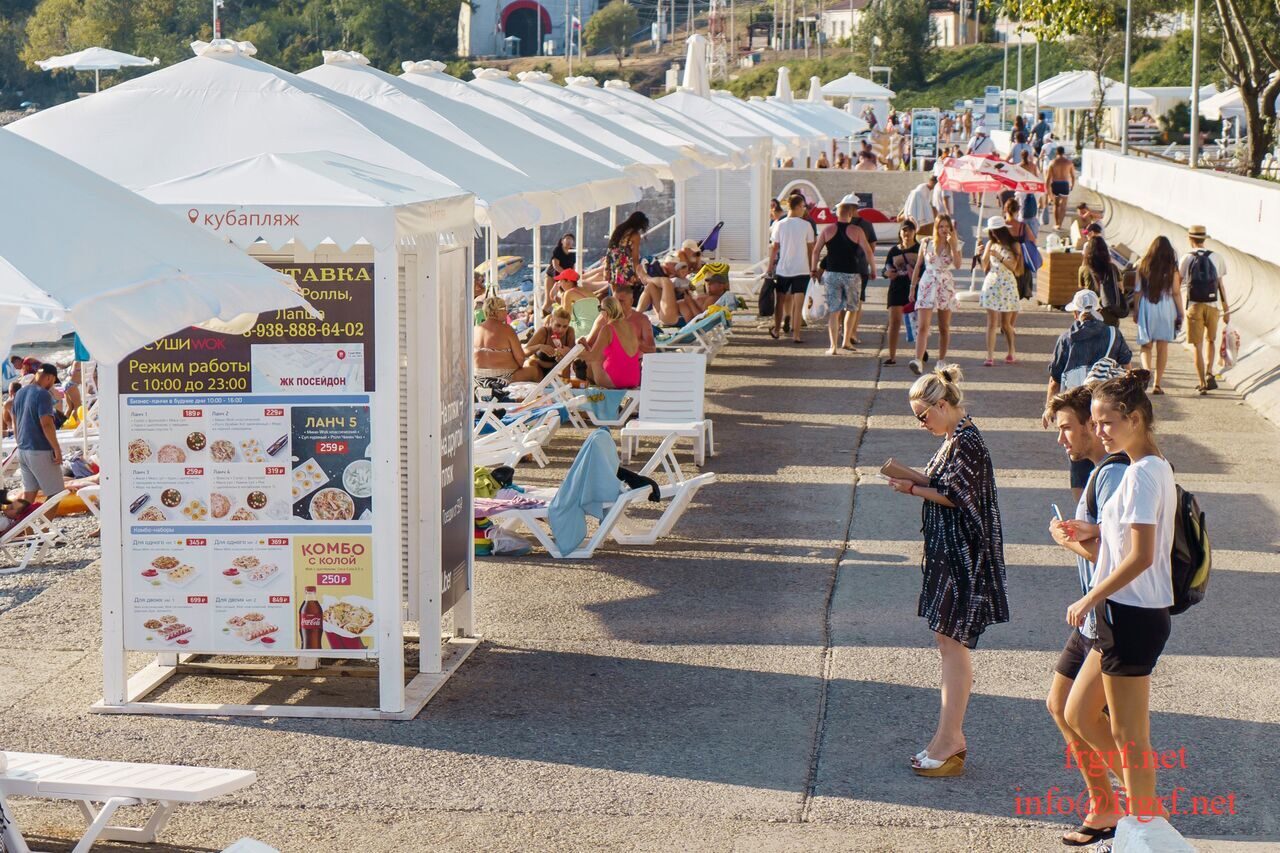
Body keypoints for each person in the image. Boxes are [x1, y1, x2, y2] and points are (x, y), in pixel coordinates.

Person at [1060, 371, 1176, 829]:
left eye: (1106, 421)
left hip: (1134, 613)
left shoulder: (1145, 472)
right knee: (1077, 712)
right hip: (1122, 613)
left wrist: (1091, 594)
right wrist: (1090, 532)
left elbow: (1143, 555)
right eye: (1094, 421)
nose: (1099, 430)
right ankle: (1146, 810)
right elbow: (1126, 537)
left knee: (1130, 735)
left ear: (1133, 418)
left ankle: (1148, 824)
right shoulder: (1145, 466)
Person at [886, 366, 1010, 777]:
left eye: (923, 415)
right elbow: (950, 486)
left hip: (961, 556)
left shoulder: (967, 442)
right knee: (947, 641)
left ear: (943, 405)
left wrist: (913, 488)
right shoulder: (956, 438)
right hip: (950, 552)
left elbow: (959, 497)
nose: (920, 424)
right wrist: (915, 480)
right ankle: (947, 737)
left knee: (952, 644)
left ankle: (950, 738)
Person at [1045, 385, 1130, 847]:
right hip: (1092, 615)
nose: (1063, 439)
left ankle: (1144, 807)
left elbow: (1118, 557)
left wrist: (1066, 541)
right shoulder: (1099, 472)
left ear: (1093, 428)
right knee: (1059, 707)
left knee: (1083, 713)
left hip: (1113, 615)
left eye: (1066, 429)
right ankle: (1104, 807)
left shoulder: (1115, 475)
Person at [1043, 290, 1133, 501]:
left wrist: (1050, 407)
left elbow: (1054, 379)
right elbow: (1127, 369)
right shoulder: (1113, 334)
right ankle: (1106, 501)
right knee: (1108, 451)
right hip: (1105, 406)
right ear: (1098, 310)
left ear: (1076, 313)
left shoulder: (1066, 338)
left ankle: (1084, 508)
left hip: (1075, 406)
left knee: (1077, 457)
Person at [811, 201, 872, 355]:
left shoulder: (827, 229)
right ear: (850, 215)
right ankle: (846, 341)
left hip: (832, 274)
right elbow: (868, 251)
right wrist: (873, 269)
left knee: (834, 311)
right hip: (852, 274)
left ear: (836, 214)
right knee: (852, 308)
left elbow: (816, 251)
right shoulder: (857, 230)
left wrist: (813, 268)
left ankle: (833, 346)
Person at [1178, 225, 1230, 395]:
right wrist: (1226, 308)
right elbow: (1220, 285)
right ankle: (1209, 372)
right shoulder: (1217, 257)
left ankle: (1201, 383)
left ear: (1190, 239)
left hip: (1194, 305)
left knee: (1197, 346)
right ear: (1204, 239)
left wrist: (1175, 306)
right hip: (1213, 306)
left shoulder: (1186, 258)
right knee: (1211, 341)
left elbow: (1177, 284)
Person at [909, 214, 961, 375]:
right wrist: (912, 287)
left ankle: (941, 360)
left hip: (945, 283)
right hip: (927, 283)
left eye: (947, 227)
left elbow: (958, 265)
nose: (944, 230)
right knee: (923, 325)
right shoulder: (926, 243)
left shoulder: (955, 244)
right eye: (941, 226)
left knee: (943, 326)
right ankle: (918, 360)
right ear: (936, 228)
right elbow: (918, 266)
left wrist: (953, 245)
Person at [1132, 236, 1185, 395]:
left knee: (1146, 346)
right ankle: (1157, 383)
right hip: (1166, 307)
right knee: (1162, 347)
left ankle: (1146, 374)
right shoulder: (1172, 269)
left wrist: (1136, 310)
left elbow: (1138, 291)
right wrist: (1180, 313)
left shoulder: (1143, 265)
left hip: (1147, 306)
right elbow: (1176, 293)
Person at [13, 363, 64, 503]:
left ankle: (16, 524)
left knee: (28, 496)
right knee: (56, 494)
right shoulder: (43, 394)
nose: (52, 385)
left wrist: (20, 443)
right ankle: (44, 526)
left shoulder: (19, 393)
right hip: (40, 449)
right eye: (54, 381)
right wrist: (57, 449)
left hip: (23, 449)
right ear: (49, 377)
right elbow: (46, 424)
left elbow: (15, 423)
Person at [768, 194, 815, 344]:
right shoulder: (806, 225)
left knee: (780, 301)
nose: (804, 209)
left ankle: (776, 330)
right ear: (798, 206)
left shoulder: (780, 224)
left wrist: (770, 267)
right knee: (798, 303)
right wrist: (812, 267)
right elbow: (810, 249)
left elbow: (774, 248)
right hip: (802, 269)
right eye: (803, 206)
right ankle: (796, 335)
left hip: (784, 268)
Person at [979, 216, 1023, 366]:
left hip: (1008, 286)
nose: (993, 234)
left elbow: (1014, 267)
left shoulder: (1014, 244)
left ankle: (1011, 350)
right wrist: (980, 254)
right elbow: (984, 266)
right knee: (992, 323)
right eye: (992, 231)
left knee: (1006, 324)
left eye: (995, 231)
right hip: (992, 283)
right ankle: (989, 356)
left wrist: (1000, 257)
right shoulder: (990, 243)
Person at [839, 196, 879, 348]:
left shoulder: (840, 224)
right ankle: (852, 333)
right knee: (857, 303)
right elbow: (872, 248)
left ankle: (843, 331)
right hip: (860, 267)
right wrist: (869, 264)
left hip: (840, 267)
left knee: (842, 301)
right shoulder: (866, 225)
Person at [474, 296, 538, 384]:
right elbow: (520, 359)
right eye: (504, 308)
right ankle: (540, 397)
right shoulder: (507, 329)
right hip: (502, 379)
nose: (506, 311)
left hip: (478, 378)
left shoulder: (476, 329)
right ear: (497, 311)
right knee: (535, 371)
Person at [583, 296, 642, 389]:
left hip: (615, 380)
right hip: (634, 379)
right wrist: (586, 346)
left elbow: (593, 357)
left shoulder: (608, 329)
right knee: (600, 356)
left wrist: (570, 353)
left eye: (600, 309)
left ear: (606, 312)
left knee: (593, 361)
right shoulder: (631, 327)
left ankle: (589, 392)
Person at [883, 220, 920, 365]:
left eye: (910, 230)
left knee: (918, 323)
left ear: (915, 232)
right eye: (904, 230)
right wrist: (887, 273)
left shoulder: (920, 248)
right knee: (895, 322)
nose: (907, 233)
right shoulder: (893, 251)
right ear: (900, 232)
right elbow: (885, 270)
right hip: (896, 288)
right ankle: (892, 356)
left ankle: (920, 352)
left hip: (914, 288)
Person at [604, 211, 653, 304]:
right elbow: (635, 257)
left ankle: (613, 313)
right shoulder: (634, 235)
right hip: (624, 267)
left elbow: (610, 249)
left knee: (615, 295)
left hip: (613, 264)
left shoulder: (619, 229)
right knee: (625, 297)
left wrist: (606, 268)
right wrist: (638, 274)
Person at [1078, 236, 1124, 327]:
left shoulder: (1083, 269)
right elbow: (1121, 289)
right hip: (1110, 313)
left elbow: (1081, 290)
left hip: (1090, 313)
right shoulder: (1112, 268)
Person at [522, 307, 577, 379]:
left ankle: (565, 387)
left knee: (566, 364)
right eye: (558, 325)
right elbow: (524, 352)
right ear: (551, 322)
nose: (561, 330)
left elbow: (573, 358)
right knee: (530, 363)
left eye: (565, 326)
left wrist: (567, 353)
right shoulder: (544, 332)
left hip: (556, 369)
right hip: (538, 368)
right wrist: (539, 346)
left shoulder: (569, 332)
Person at [1047, 147, 1076, 229]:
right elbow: (1073, 176)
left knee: (1056, 205)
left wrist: (1048, 190)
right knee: (1063, 205)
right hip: (1064, 184)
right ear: (1063, 152)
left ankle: (1056, 223)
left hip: (1056, 184)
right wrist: (1072, 186)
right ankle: (1060, 224)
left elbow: (1048, 178)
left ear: (1056, 152)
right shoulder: (1069, 162)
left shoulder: (1052, 162)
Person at [544, 233, 577, 304]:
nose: (569, 241)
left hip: (564, 279)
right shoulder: (557, 250)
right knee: (549, 301)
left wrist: (572, 277)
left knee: (565, 298)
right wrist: (567, 275)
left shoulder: (573, 252)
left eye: (571, 239)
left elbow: (573, 267)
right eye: (567, 238)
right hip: (552, 276)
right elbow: (556, 266)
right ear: (562, 241)